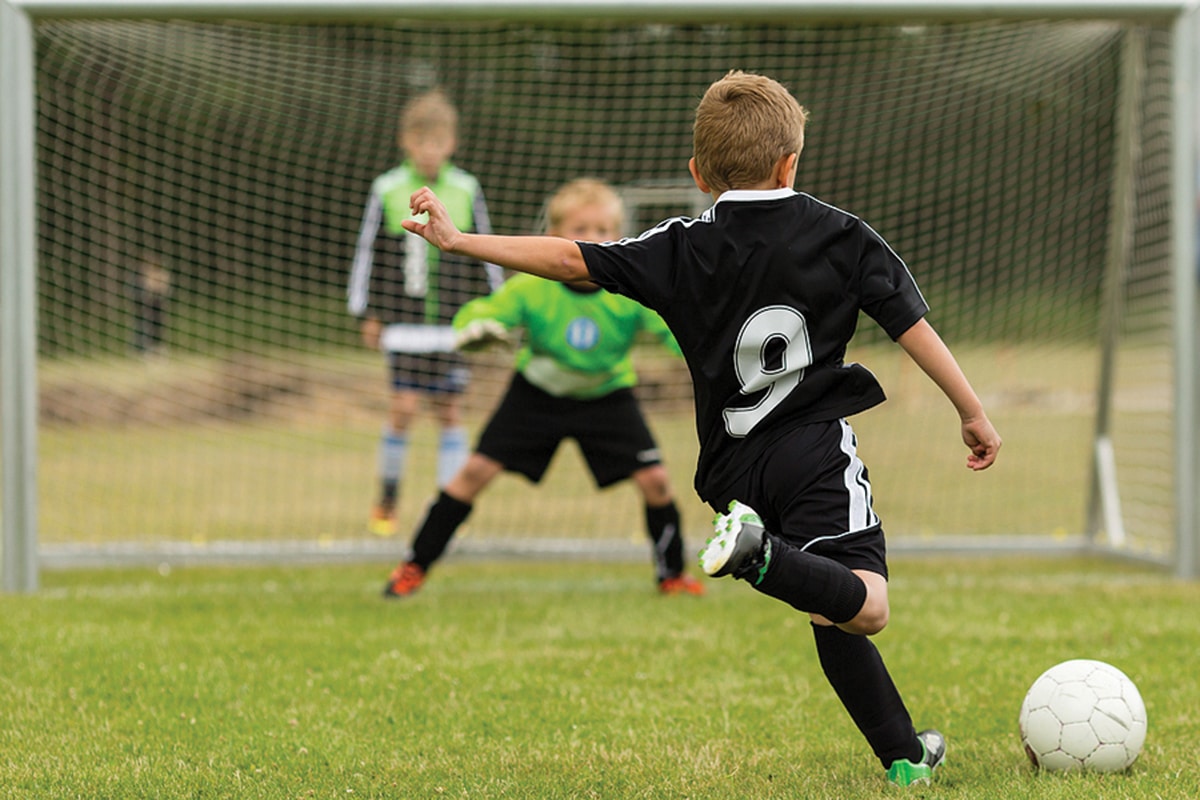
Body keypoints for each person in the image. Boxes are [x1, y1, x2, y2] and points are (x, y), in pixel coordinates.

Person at [398, 70, 1002, 788]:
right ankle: (759, 556)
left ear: (697, 173)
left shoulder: (680, 245)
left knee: (825, 606)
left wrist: (460, 240)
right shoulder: (842, 236)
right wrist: (971, 410)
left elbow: (568, 258)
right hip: (810, 451)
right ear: (791, 160)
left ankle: (904, 758)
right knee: (865, 605)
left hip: (730, 470)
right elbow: (911, 328)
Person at [382, 179, 704, 599]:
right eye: (581, 228)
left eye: (604, 229)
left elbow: (677, 333)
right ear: (554, 237)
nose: (593, 238)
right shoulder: (532, 285)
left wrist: (707, 352)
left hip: (606, 396)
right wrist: (474, 329)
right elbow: (478, 315)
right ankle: (413, 567)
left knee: (656, 481)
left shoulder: (631, 290)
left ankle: (672, 576)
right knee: (473, 474)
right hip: (536, 393)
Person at [347, 88, 502, 537]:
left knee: (450, 411)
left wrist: (492, 311)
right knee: (403, 407)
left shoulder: (466, 189)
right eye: (422, 141)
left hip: (451, 327)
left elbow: (486, 250)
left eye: (438, 142)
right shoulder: (387, 188)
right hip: (403, 325)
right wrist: (367, 313)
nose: (430, 150)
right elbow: (368, 252)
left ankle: (445, 508)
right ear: (406, 142)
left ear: (451, 143)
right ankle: (388, 499)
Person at [131, 257, 170, 354]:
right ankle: (143, 348)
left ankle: (157, 349)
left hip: (158, 304)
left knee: (158, 327)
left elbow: (163, 288)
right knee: (144, 326)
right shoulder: (144, 276)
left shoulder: (162, 275)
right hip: (146, 304)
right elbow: (147, 289)